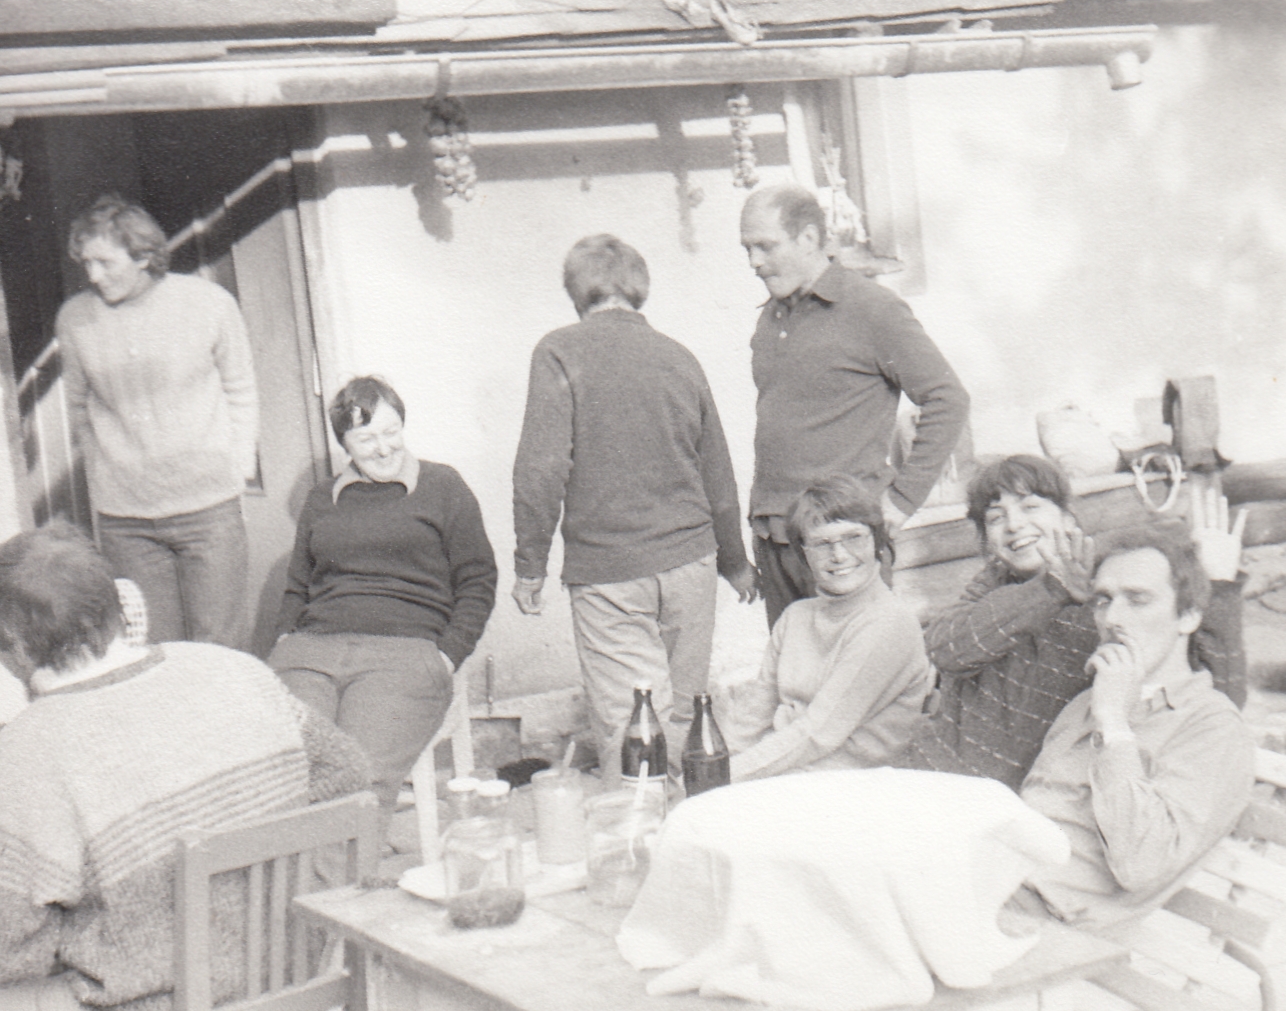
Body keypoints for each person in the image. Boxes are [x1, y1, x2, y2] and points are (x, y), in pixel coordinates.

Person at [0, 526, 369, 1011]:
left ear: (16, 646)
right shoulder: (235, 669)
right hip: (295, 973)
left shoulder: (25, 751)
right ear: (116, 605)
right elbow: (347, 771)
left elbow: (13, 953)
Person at [512, 234, 757, 781]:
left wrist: (530, 566)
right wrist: (735, 563)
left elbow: (540, 469)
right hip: (691, 566)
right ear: (638, 287)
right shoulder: (678, 357)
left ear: (576, 291)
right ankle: (688, 821)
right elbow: (717, 473)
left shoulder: (558, 351)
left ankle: (641, 827)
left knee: (632, 731)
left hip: (611, 574)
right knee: (683, 717)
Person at [910, 456, 1248, 789]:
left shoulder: (1108, 595)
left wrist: (1219, 587)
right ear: (987, 540)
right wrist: (1050, 589)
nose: (1014, 525)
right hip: (934, 772)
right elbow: (944, 651)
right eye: (996, 518)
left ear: (1068, 519)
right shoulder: (994, 581)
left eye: (1030, 507)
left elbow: (1220, 696)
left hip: (1027, 795)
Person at [270, 376, 496, 828]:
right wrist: (283, 642)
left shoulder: (443, 485)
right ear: (345, 445)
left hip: (403, 653)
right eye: (366, 438)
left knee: (359, 783)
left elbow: (477, 579)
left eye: (391, 432)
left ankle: (336, 873)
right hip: (311, 652)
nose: (383, 448)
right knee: (283, 773)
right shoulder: (322, 498)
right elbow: (298, 586)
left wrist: (448, 655)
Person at [739, 184, 969, 627]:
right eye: (747, 248)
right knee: (795, 665)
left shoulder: (872, 309)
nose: (754, 261)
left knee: (859, 663)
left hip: (841, 541)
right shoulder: (771, 315)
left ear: (809, 238)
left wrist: (901, 501)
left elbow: (948, 398)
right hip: (776, 538)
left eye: (765, 246)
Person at [1010, 525, 1255, 930]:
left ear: (1189, 616)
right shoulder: (1088, 700)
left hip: (1051, 925)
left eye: (1138, 600)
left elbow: (1142, 865)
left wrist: (1114, 724)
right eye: (1103, 601)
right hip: (997, 883)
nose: (1112, 619)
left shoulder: (1212, 727)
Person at [57, 194, 258, 649]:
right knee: (154, 650)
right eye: (86, 263)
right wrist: (105, 476)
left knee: (221, 647)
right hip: (126, 520)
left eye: (105, 263)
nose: (93, 276)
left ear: (144, 256)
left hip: (208, 509)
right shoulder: (75, 319)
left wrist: (237, 467)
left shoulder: (208, 303)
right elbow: (77, 407)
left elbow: (241, 390)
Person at [730, 476, 933, 782]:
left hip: (853, 782)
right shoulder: (795, 617)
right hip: (788, 767)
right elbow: (755, 714)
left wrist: (726, 776)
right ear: (804, 553)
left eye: (853, 538)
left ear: (877, 542)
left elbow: (819, 733)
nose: (839, 555)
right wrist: (717, 763)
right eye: (822, 544)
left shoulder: (889, 622)